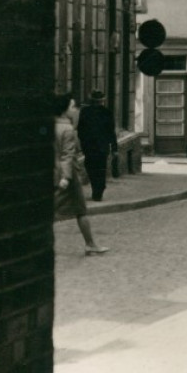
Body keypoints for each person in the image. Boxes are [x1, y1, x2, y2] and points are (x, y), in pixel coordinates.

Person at [53, 92, 109, 255]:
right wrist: (66, 177)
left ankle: (90, 243)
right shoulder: (68, 129)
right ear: (65, 110)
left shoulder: (50, 126)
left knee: (79, 210)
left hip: (54, 173)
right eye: (72, 106)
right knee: (79, 210)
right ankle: (90, 244)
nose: (75, 109)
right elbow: (67, 155)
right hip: (68, 177)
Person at [76, 87, 118, 202]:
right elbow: (111, 132)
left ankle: (97, 188)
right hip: (102, 147)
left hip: (89, 147)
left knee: (90, 167)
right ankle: (99, 189)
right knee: (101, 168)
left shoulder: (85, 112)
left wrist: (83, 142)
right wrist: (114, 148)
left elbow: (80, 130)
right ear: (102, 100)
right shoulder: (107, 113)